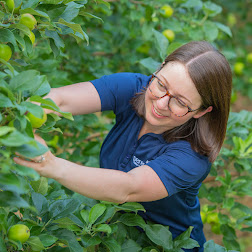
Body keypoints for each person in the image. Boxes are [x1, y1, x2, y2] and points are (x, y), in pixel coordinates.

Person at [14, 41, 232, 251]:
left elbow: (128, 187)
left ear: (202, 111)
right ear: (159, 68)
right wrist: (22, 115)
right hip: (114, 232)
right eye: (161, 84)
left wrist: (51, 165)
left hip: (164, 246)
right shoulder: (135, 87)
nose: (161, 102)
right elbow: (59, 100)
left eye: (181, 102)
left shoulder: (193, 156)